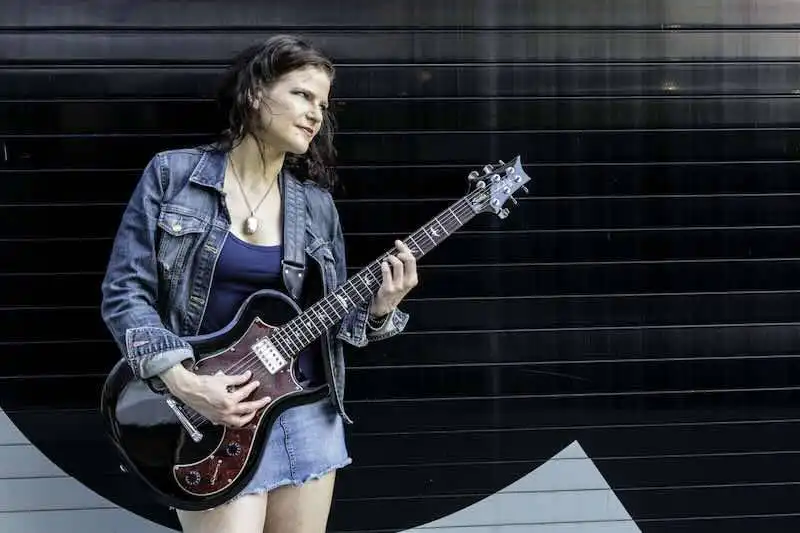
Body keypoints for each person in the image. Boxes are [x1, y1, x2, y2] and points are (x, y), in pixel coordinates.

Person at [100, 34, 418, 533]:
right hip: (210, 415)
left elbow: (334, 323)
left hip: (305, 411)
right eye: (302, 95)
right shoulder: (173, 175)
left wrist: (379, 311)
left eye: (323, 104)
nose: (316, 113)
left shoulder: (316, 205)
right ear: (254, 94)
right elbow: (125, 294)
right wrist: (187, 385)